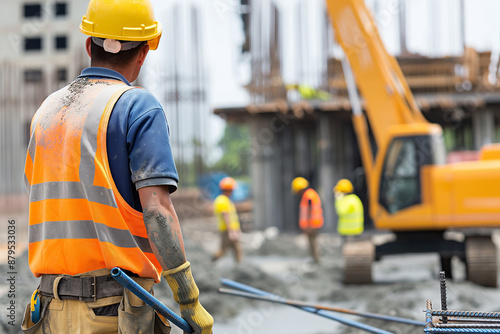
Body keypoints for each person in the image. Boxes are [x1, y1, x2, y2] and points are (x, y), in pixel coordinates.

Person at [22, 0, 213, 333]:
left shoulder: (46, 112)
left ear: (88, 45)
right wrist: (189, 300)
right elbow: (157, 212)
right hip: (114, 314)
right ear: (143, 54)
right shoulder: (137, 106)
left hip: (47, 311)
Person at [291, 177, 324, 263]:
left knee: (313, 243)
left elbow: (310, 211)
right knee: (312, 243)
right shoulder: (309, 194)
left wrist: (308, 226)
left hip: (312, 225)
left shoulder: (308, 196)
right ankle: (316, 259)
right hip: (313, 224)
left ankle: (317, 260)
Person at [212, 177, 243, 263]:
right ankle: (212, 261)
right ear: (229, 190)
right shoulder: (222, 200)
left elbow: (232, 217)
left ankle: (238, 265)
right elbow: (225, 216)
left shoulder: (225, 200)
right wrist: (231, 231)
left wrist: (236, 229)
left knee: (235, 249)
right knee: (225, 250)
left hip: (229, 230)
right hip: (227, 230)